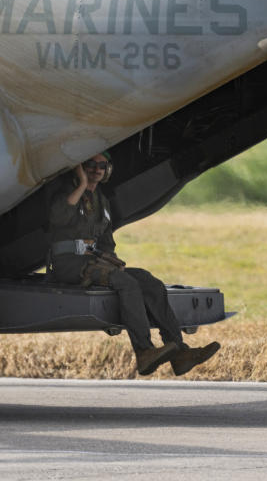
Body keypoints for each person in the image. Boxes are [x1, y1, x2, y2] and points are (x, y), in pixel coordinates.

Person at [48, 152, 220, 376]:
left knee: (150, 282)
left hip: (94, 263)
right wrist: (81, 183)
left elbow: (107, 241)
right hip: (69, 265)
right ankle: (144, 352)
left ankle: (179, 351)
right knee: (126, 283)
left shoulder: (102, 201)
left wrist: (108, 257)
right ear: (80, 168)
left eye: (102, 165)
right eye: (91, 164)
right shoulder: (67, 193)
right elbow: (57, 219)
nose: (96, 169)